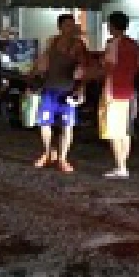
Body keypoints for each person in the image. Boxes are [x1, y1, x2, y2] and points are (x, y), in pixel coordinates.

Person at [33, 13, 90, 173]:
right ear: (60, 27)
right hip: (49, 88)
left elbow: (85, 68)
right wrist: (34, 75)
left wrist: (81, 88)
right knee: (44, 123)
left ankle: (63, 158)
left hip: (68, 91)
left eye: (72, 25)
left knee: (67, 126)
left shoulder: (79, 45)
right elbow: (42, 61)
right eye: (67, 25)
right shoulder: (52, 42)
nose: (70, 28)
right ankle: (47, 152)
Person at [100, 11, 139, 179]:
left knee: (114, 131)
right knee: (125, 131)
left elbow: (108, 67)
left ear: (112, 26)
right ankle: (122, 164)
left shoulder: (112, 44)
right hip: (130, 90)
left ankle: (121, 167)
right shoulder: (134, 44)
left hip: (114, 90)